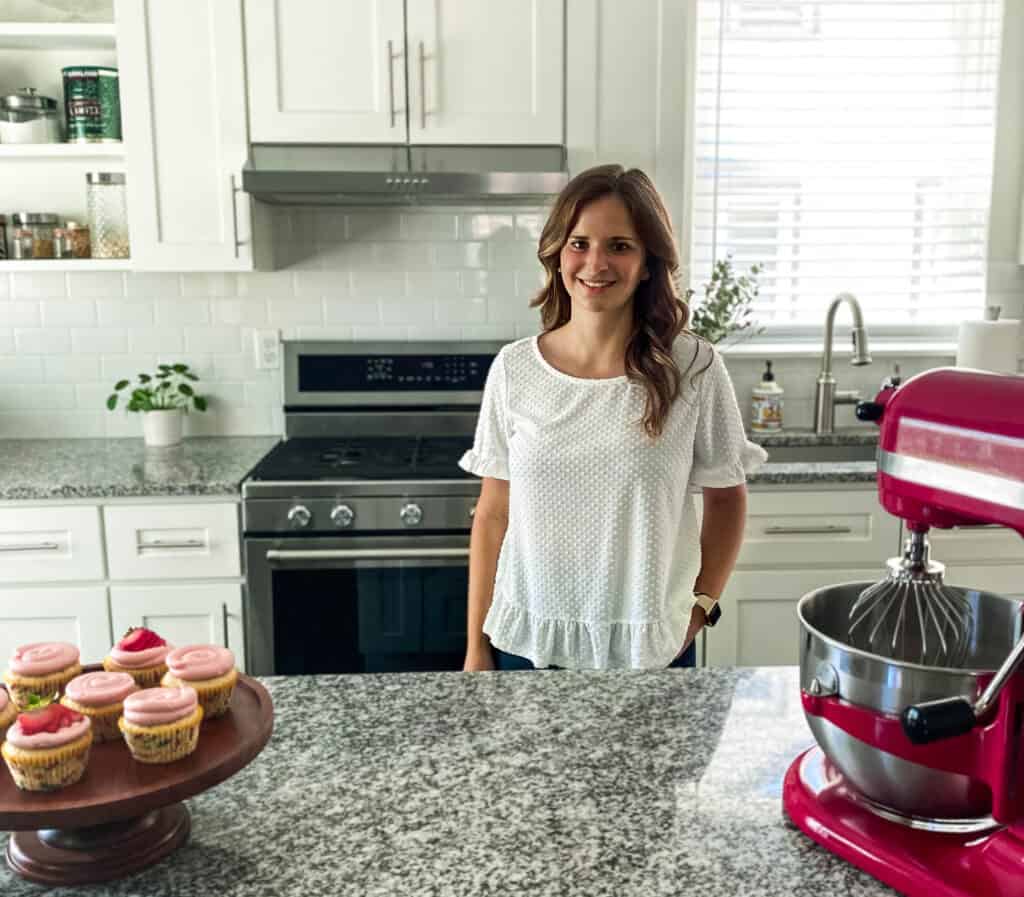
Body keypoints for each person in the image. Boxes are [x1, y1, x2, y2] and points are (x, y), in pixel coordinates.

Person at [460, 164, 766, 672]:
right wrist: (475, 645)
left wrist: (700, 607)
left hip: (650, 648)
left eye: (619, 245)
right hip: (526, 643)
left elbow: (728, 499)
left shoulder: (693, 368)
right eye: (579, 243)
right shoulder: (515, 369)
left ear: (648, 262)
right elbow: (493, 514)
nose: (595, 262)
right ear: (557, 254)